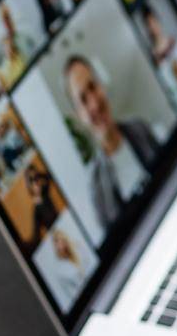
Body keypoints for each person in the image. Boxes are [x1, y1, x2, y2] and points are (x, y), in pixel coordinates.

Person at [63, 54, 156, 230]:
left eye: (92, 86)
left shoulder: (140, 128)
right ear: (79, 116)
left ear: (101, 85)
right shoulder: (96, 187)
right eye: (83, 99)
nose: (94, 104)